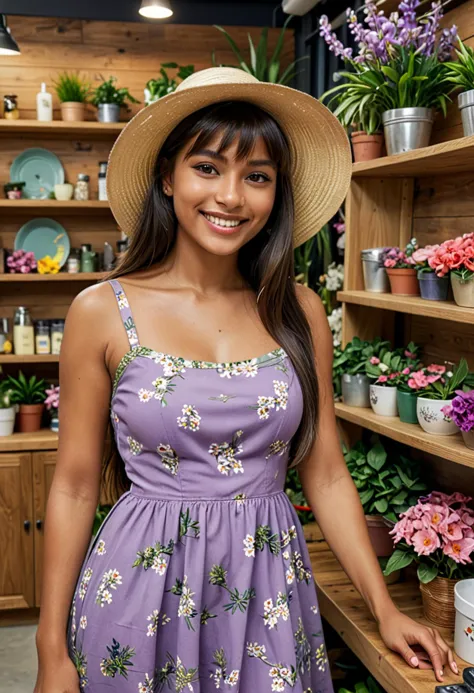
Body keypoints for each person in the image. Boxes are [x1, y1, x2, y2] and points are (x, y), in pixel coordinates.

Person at [34, 67, 458, 693]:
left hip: (268, 593)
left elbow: (327, 473)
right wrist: (50, 652)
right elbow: (72, 488)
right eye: (207, 167)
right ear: (167, 177)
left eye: (256, 176)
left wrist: (385, 608)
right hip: (138, 594)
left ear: (275, 194)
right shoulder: (102, 310)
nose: (231, 196)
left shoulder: (299, 311)